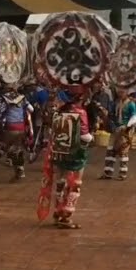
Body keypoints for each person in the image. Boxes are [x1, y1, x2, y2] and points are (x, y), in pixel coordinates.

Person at [48, 92, 93, 229]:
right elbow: (85, 136)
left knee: (60, 182)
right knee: (75, 184)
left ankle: (57, 212)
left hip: (59, 151)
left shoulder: (59, 111)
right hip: (76, 153)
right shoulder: (80, 112)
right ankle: (66, 216)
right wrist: (92, 138)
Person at [0, 84, 34, 180]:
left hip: (9, 126)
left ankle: (18, 168)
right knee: (17, 148)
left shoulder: (2, 98)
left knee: (10, 149)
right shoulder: (22, 98)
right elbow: (31, 109)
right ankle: (20, 169)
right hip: (21, 126)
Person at [100, 88, 136, 180]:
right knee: (110, 150)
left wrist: (127, 126)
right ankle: (108, 172)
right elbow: (111, 115)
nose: (120, 94)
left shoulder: (131, 104)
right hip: (115, 129)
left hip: (125, 130)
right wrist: (105, 114)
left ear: (127, 92)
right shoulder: (115, 103)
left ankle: (122, 174)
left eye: (122, 92)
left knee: (123, 151)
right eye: (119, 92)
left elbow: (134, 117)